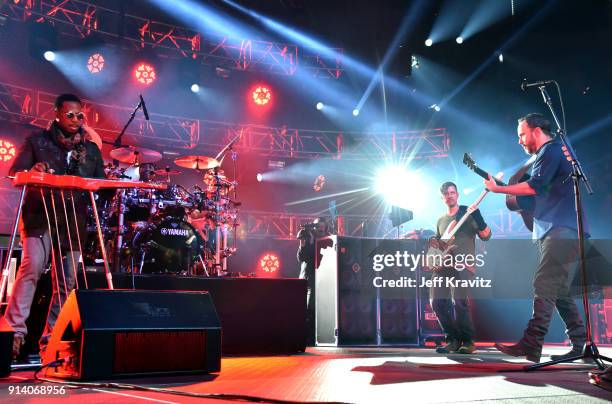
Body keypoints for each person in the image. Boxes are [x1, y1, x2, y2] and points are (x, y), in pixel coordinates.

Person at [4, 93, 105, 359]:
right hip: (40, 217)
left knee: (67, 281)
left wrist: (108, 187)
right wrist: (34, 170)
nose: (75, 120)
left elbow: (102, 186)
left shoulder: (91, 149)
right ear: (57, 114)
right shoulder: (38, 141)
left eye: (79, 115)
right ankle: (13, 336)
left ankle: (52, 341)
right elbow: (15, 173)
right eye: (69, 115)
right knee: (31, 270)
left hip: (73, 220)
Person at [484, 113, 586, 362]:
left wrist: (499, 189)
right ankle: (580, 342)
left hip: (561, 229)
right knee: (559, 289)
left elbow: (534, 187)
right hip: (558, 229)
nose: (519, 140)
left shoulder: (550, 150)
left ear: (536, 130)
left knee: (544, 282)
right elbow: (538, 192)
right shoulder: (548, 154)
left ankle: (532, 343)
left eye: (521, 134)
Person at [429, 181, 492, 354]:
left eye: (452, 192)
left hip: (463, 265)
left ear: (457, 194)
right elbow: (439, 244)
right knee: (437, 303)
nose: (450, 196)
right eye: (446, 194)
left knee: (460, 302)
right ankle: (453, 339)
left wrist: (478, 218)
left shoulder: (468, 214)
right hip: (444, 266)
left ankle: (468, 341)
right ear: (442, 198)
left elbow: (486, 236)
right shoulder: (441, 220)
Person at [297, 217, 332, 346]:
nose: (320, 228)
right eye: (318, 225)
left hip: (326, 277)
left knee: (324, 307)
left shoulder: (330, 239)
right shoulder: (309, 237)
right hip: (309, 276)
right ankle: (308, 339)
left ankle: (322, 336)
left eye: (322, 226)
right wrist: (303, 242)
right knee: (309, 307)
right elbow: (301, 257)